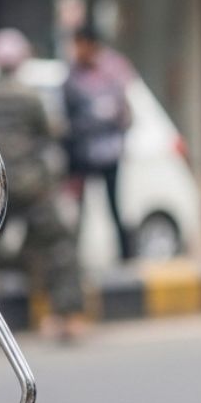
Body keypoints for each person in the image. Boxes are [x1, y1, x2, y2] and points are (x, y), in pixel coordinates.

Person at [0, 29, 87, 340]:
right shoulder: (29, 97)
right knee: (60, 245)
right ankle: (67, 315)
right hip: (31, 186)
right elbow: (51, 133)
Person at [63, 24, 135, 261]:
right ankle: (74, 260)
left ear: (91, 44)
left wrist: (100, 116)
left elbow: (123, 112)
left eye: (79, 45)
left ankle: (126, 258)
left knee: (115, 207)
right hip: (83, 153)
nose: (76, 50)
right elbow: (68, 113)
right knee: (78, 210)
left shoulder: (114, 69)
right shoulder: (73, 74)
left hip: (108, 151)